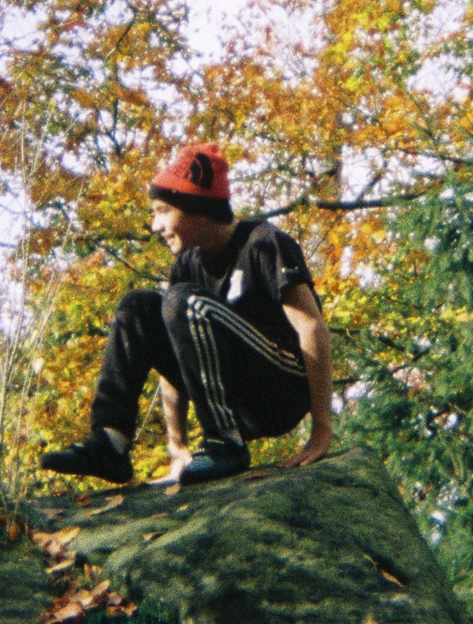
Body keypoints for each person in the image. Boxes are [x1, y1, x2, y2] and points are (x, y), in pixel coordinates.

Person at [39, 142, 335, 486]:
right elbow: (178, 346)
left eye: (163, 211)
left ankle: (226, 443)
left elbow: (312, 328)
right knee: (137, 306)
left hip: (278, 389)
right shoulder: (188, 263)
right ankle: (111, 443)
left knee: (182, 301)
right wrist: (176, 445)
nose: (155, 225)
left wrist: (321, 429)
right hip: (232, 394)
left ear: (199, 210)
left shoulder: (263, 243)